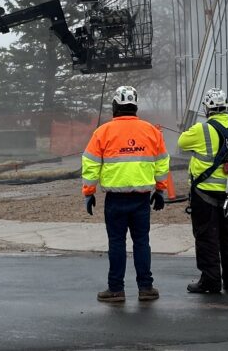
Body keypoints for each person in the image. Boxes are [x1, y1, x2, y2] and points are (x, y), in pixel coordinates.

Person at [82, 85, 169, 303]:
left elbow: (91, 164)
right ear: (135, 106)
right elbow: (162, 163)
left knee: (117, 243)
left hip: (115, 200)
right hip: (141, 199)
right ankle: (146, 288)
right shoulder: (151, 131)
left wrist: (89, 192)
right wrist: (160, 190)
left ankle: (116, 290)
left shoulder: (103, 132)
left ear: (114, 106)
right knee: (141, 242)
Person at [177, 87, 228, 294]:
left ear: (207, 108)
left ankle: (211, 280)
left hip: (205, 193)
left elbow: (181, 143)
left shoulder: (201, 129)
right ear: (226, 106)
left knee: (207, 236)